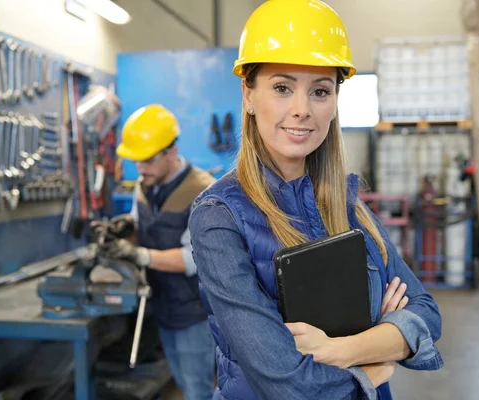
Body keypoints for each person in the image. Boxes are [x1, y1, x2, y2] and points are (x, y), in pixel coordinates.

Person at [189, 1, 444, 399]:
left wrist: (342, 350)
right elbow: (287, 382)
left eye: (320, 91)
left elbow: (426, 314)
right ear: (249, 95)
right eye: (282, 87)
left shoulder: (348, 204)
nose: (302, 110)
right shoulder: (219, 216)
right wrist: (376, 356)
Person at [109, 104, 216, 400]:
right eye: (136, 162)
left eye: (147, 161)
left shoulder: (204, 193)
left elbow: (194, 258)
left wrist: (140, 256)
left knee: (198, 390)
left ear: (171, 151)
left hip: (194, 313)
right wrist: (125, 228)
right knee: (182, 381)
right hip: (163, 305)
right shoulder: (144, 185)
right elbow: (142, 223)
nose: (140, 170)